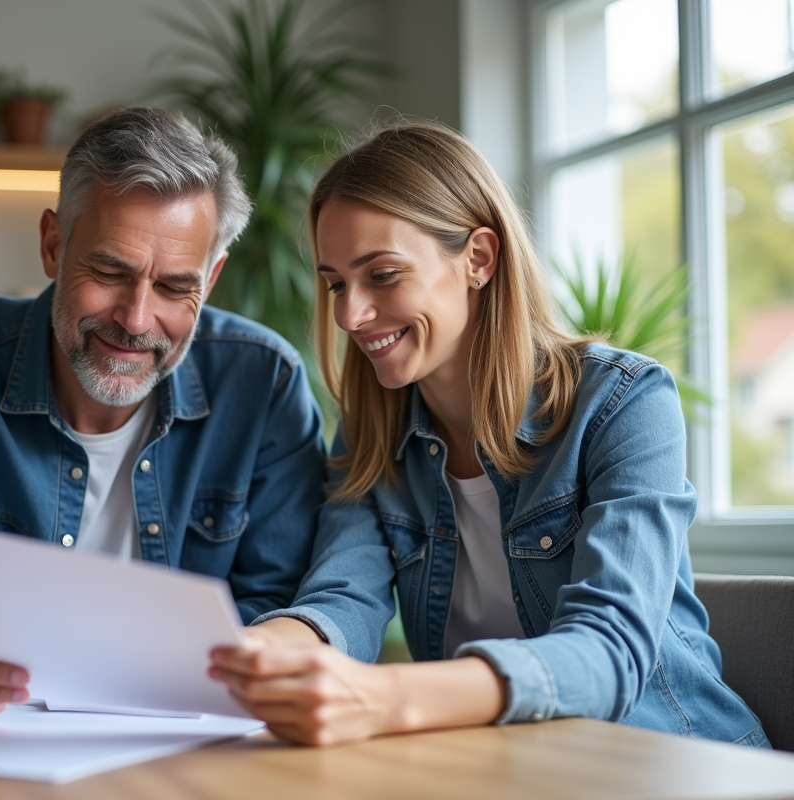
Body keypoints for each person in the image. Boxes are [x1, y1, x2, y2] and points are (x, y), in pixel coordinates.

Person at [209, 122, 770, 748]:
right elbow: (343, 600)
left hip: (675, 762)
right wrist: (242, 655)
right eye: (337, 282)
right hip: (507, 766)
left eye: (384, 275)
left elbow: (610, 650)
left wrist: (387, 697)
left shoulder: (624, 403)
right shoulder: (370, 436)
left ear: (478, 258)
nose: (348, 314)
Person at [0, 107, 326, 727]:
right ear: (54, 244)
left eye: (174, 288)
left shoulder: (266, 384)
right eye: (109, 272)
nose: (135, 319)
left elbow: (289, 608)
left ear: (210, 280)